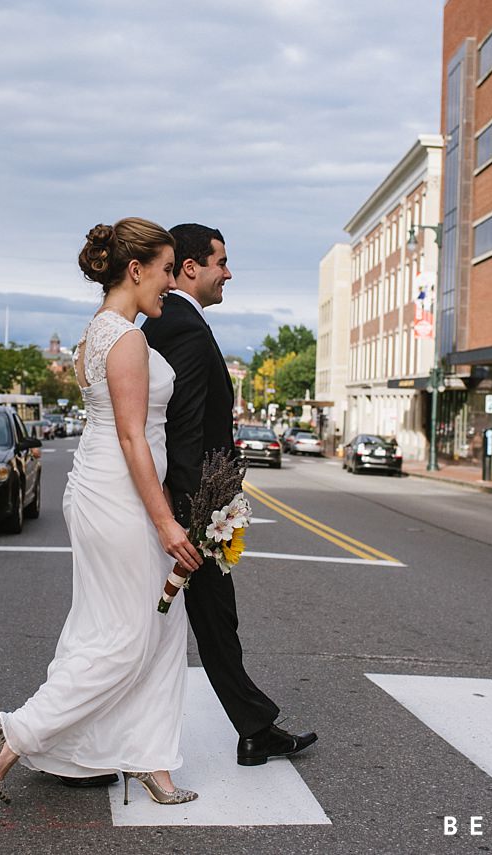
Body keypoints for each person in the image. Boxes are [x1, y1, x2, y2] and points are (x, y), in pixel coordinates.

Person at [0, 218, 203, 806]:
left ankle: (150, 760)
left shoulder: (95, 335)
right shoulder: (125, 339)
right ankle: (16, 732)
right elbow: (131, 438)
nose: (171, 283)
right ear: (135, 269)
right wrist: (166, 521)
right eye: (167, 269)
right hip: (118, 494)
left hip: (106, 488)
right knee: (127, 634)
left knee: (152, 626)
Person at [143, 223, 318, 767]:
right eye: (221, 261)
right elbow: (185, 425)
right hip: (191, 504)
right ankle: (252, 726)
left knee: (209, 618)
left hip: (190, 498)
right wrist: (194, 517)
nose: (229, 272)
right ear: (190, 267)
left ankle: (254, 725)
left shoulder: (169, 321)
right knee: (173, 620)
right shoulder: (184, 328)